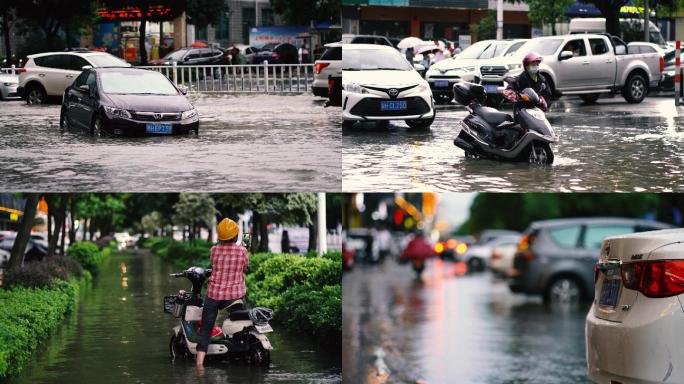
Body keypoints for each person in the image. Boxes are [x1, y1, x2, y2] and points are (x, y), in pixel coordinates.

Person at [196, 218, 249, 368]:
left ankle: (199, 366)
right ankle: (239, 348)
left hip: (214, 295)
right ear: (235, 236)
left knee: (206, 330)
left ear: (220, 236)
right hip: (234, 296)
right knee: (241, 323)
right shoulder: (243, 251)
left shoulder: (213, 250)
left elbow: (214, 265)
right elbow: (245, 268)